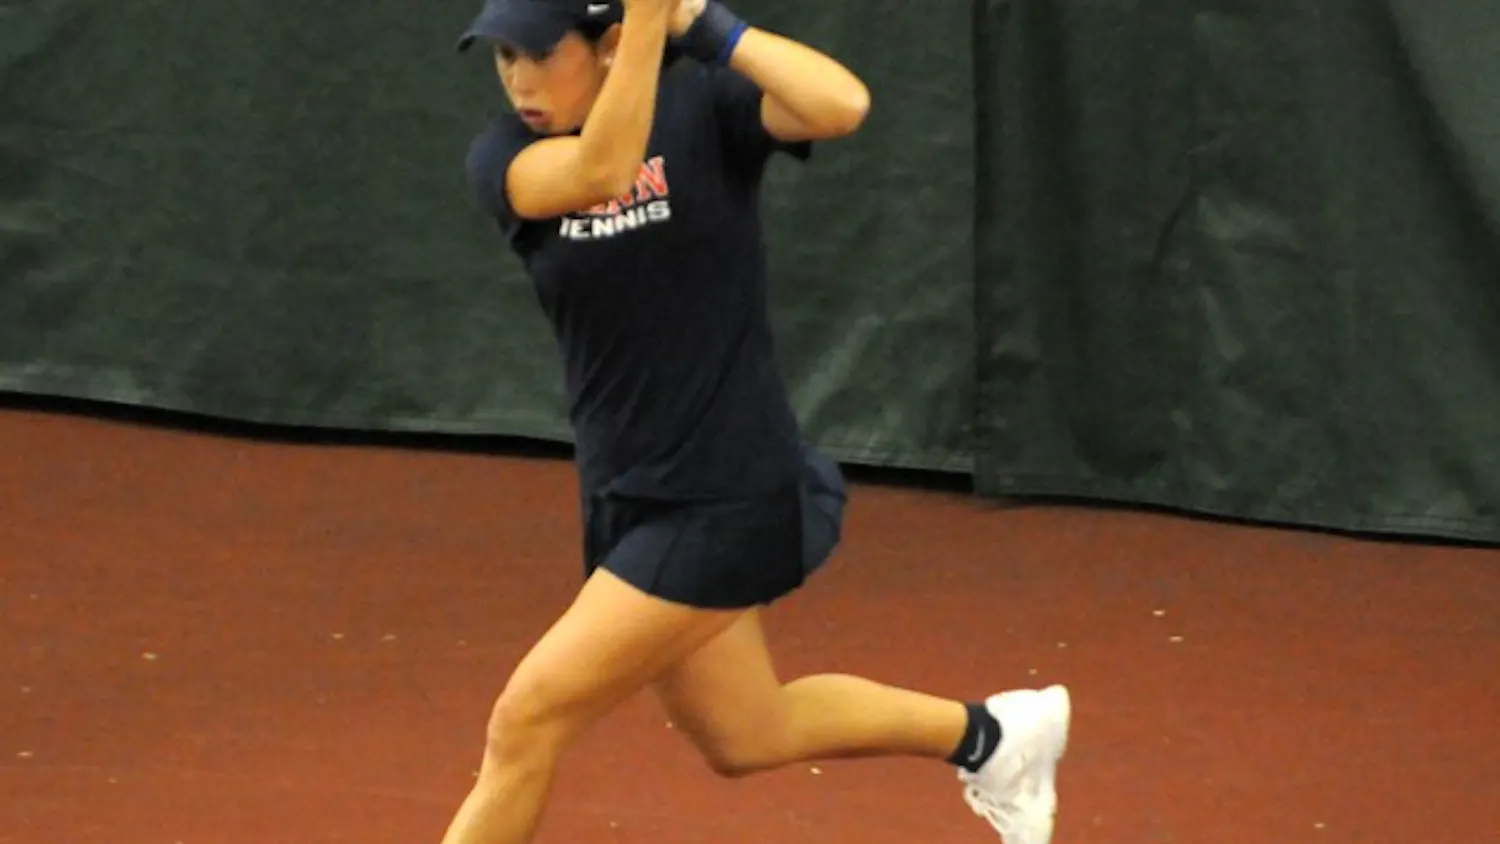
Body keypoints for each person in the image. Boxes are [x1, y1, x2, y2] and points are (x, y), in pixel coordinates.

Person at [446, 0, 1073, 842]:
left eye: (536, 53)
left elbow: (840, 104)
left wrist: (703, 23)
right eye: (502, 59)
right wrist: (640, 26)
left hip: (727, 488)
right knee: (748, 734)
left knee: (524, 723)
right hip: (627, 493)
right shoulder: (506, 155)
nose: (518, 80)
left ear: (602, 46)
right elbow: (601, 170)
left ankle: (997, 740)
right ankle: (993, 737)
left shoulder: (704, 103)